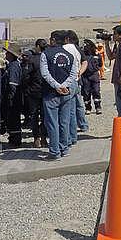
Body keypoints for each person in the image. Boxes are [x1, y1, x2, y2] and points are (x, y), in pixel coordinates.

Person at [40, 31, 78, 160]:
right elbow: (73, 74)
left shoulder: (45, 54)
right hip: (66, 93)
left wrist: (57, 86)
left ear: (53, 40)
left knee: (52, 123)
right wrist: (64, 85)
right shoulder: (70, 55)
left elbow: (45, 74)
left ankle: (54, 151)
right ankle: (64, 148)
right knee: (64, 122)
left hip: (51, 94)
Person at [22, 40, 48, 149]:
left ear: (37, 46)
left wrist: (27, 88)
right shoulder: (48, 58)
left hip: (33, 92)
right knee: (45, 116)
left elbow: (25, 76)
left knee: (34, 116)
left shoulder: (32, 60)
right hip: (46, 92)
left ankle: (36, 138)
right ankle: (43, 138)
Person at [64, 30, 89, 142]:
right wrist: (80, 73)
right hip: (77, 80)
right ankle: (82, 125)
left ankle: (71, 135)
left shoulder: (66, 48)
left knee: (70, 109)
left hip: (70, 81)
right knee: (78, 106)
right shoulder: (77, 49)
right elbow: (85, 62)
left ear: (67, 39)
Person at [2, 44, 23, 148]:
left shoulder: (13, 66)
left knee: (13, 119)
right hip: (14, 97)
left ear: (11, 54)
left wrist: (10, 98)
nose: (5, 54)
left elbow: (12, 84)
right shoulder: (12, 65)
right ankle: (13, 138)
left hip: (13, 98)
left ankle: (15, 140)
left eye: (7, 52)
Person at [81, 40, 102, 114]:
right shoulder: (82, 54)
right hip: (85, 76)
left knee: (96, 91)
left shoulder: (96, 54)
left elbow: (100, 64)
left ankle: (98, 107)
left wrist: (96, 69)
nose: (85, 47)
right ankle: (88, 108)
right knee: (86, 93)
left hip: (94, 75)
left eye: (86, 45)